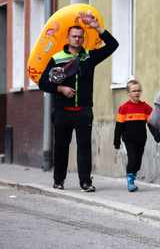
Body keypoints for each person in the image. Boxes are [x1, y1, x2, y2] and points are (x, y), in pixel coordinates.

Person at [39, 14, 119, 192]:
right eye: (74, 36)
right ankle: (59, 180)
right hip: (62, 110)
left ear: (84, 39)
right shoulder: (56, 58)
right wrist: (60, 89)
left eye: (80, 37)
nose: (77, 39)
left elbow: (113, 45)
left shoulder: (89, 57)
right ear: (67, 38)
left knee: (84, 147)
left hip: (83, 109)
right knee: (61, 146)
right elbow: (42, 82)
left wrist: (98, 28)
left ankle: (85, 182)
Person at [114, 80, 160, 192]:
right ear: (128, 93)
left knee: (138, 161)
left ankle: (133, 175)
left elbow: (151, 123)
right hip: (129, 139)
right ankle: (130, 180)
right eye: (133, 91)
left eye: (138, 90)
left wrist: (156, 135)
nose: (136, 93)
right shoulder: (124, 108)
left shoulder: (145, 107)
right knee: (133, 158)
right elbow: (119, 126)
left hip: (141, 139)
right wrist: (116, 141)